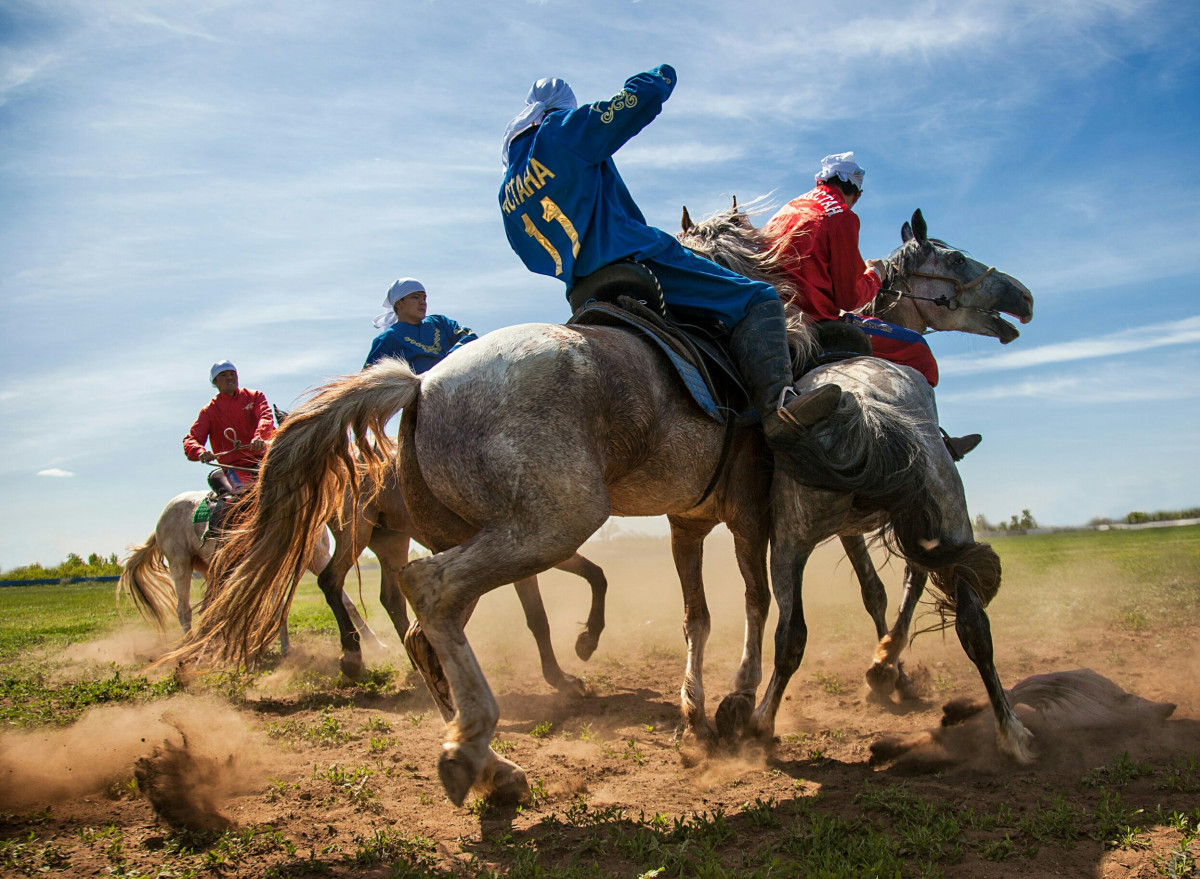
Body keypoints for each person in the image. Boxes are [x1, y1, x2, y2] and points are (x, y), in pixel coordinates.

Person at [498, 65, 842, 459]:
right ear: (559, 109)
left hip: (580, 287)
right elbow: (638, 100)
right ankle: (778, 406)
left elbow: (528, 254)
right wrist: (662, 75)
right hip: (635, 256)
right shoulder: (561, 130)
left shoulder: (508, 187)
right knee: (759, 298)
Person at [762, 153, 981, 461]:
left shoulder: (789, 208)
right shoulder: (842, 216)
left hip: (774, 316)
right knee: (917, 349)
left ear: (820, 180)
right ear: (857, 193)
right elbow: (850, 298)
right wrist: (875, 274)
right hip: (814, 320)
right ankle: (935, 446)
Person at [183, 360, 275, 536]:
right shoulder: (209, 411)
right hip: (236, 467)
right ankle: (235, 539)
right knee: (247, 500)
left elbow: (265, 417)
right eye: (224, 375)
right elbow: (191, 440)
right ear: (215, 382)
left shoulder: (255, 397)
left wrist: (260, 436)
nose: (230, 378)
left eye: (232, 374)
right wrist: (200, 452)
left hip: (266, 459)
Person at [364, 279, 478, 372]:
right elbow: (369, 377)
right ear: (399, 304)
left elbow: (469, 337)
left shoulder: (440, 322)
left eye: (424, 298)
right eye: (415, 297)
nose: (422, 302)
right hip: (417, 391)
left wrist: (452, 357)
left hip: (456, 380)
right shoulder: (388, 339)